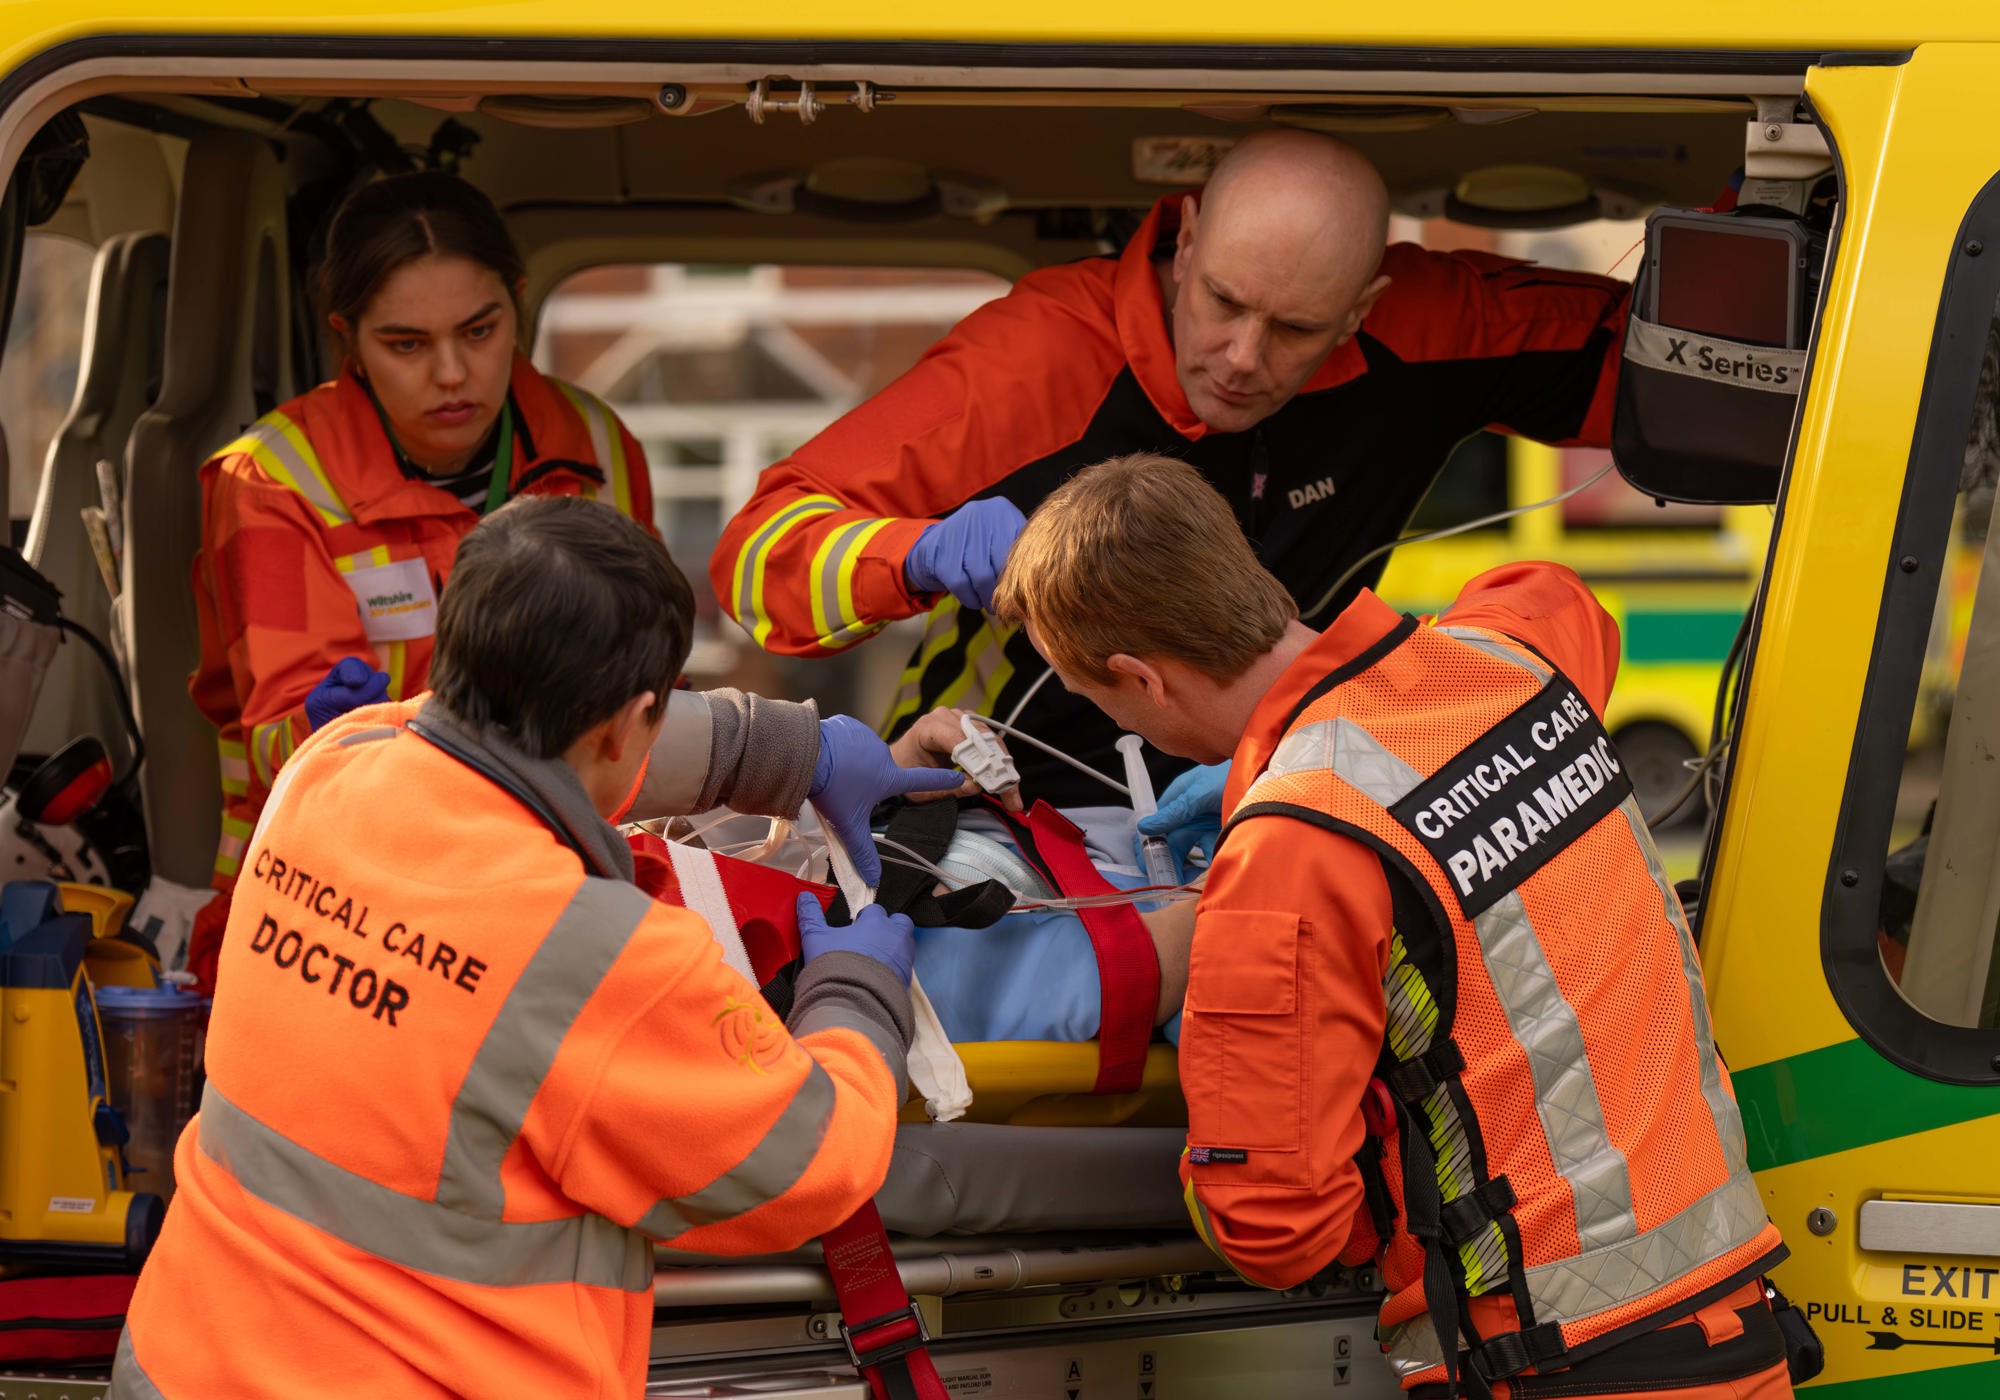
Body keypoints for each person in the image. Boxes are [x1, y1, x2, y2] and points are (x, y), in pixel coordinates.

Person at [990, 453, 1794, 1399]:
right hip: (1734, 1318)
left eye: (1096, 700)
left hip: (1553, 1362)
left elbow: (1274, 1226)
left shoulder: (1290, 855)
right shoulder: (1509, 663)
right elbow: (1550, 592)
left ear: (1141, 680)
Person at [113, 497, 926, 1398]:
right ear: (629, 723)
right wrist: (857, 997)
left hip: (178, 1359)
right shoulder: (600, 954)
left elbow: (495, 731)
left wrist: (777, 750)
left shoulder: (332, 765)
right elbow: (810, 1165)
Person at [712, 128, 1629, 821]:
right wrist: (918, 555)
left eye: (1296, 330)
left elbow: (1692, 364)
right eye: (1224, 302)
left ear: (1361, 310)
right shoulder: (1035, 364)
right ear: (1185, 241)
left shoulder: (1429, 329)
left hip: (1281, 811)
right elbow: (755, 566)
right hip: (990, 803)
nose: (1241, 357)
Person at [184, 171, 948, 987]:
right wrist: (323, 729)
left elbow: (638, 699)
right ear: (348, 339)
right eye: (406, 345)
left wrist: (785, 759)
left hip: (545, 892)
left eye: (480, 331)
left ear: (517, 300)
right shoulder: (275, 480)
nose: (452, 373)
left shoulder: (593, 442)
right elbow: (286, 753)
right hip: (322, 903)